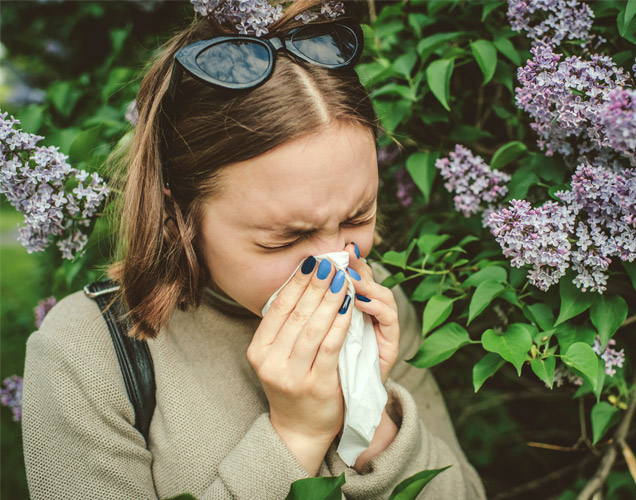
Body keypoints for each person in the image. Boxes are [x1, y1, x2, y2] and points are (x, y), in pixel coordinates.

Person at [21, 1, 486, 499]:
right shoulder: (85, 355)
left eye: (358, 217)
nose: (338, 261)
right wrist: (296, 436)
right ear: (178, 215)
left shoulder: (383, 315)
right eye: (284, 238)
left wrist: (368, 413)